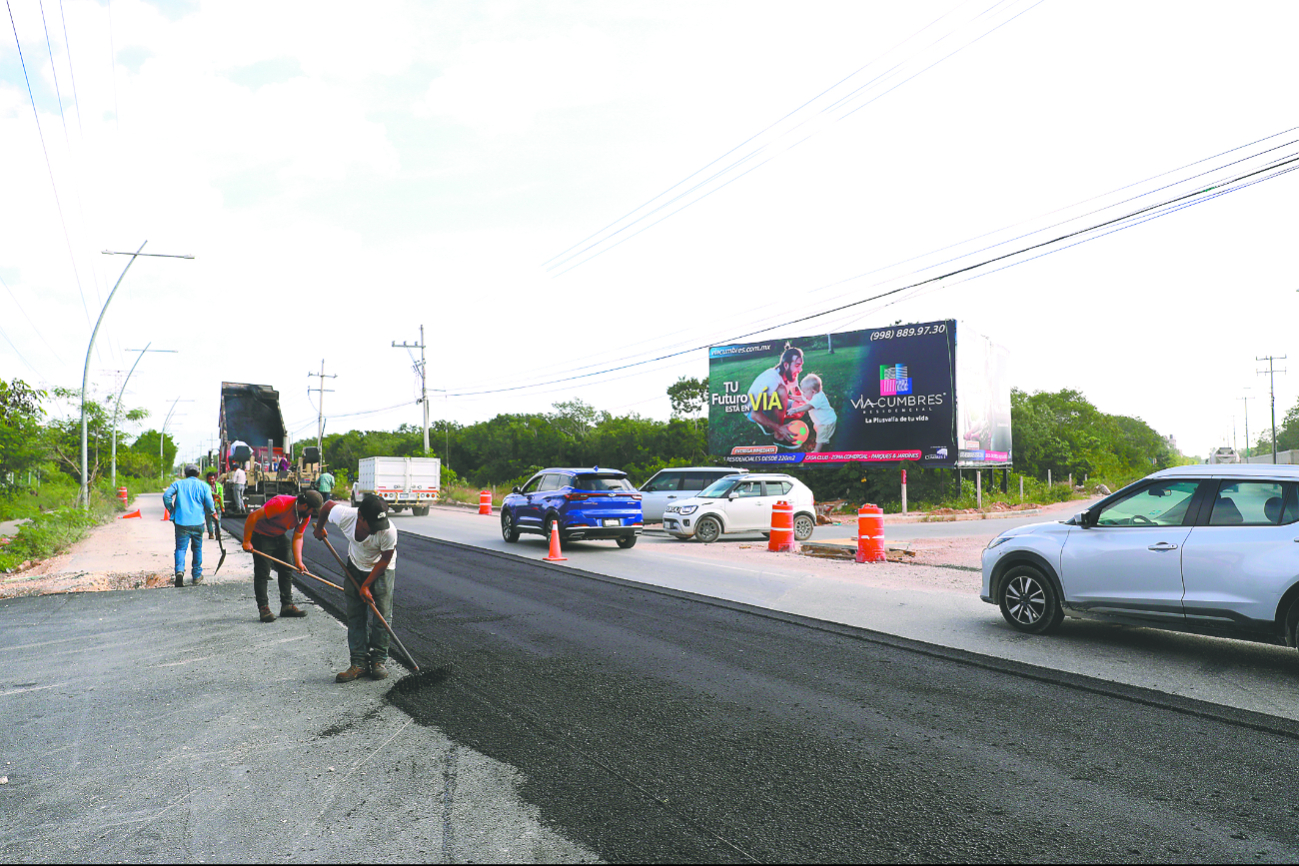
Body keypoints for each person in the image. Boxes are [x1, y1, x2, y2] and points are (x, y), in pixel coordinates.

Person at [313, 494, 398, 683]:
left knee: (382, 615)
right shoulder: (346, 516)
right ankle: (359, 663)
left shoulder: (388, 531)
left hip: (382, 569)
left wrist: (367, 585)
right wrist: (319, 528)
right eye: (373, 526)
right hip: (355, 565)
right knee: (355, 614)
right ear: (361, 517)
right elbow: (327, 506)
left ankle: (378, 661)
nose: (378, 531)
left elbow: (385, 560)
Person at [241, 490, 324, 623]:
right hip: (261, 535)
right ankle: (263, 608)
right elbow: (253, 517)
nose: (313, 514)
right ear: (304, 505)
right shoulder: (280, 504)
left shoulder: (304, 516)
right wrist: (247, 540)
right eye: (313, 510)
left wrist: (299, 561)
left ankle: (287, 606)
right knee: (263, 573)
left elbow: (298, 537)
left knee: (287, 568)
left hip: (279, 535)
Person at [163, 465, 216, 587]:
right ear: (198, 474)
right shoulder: (204, 486)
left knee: (181, 549)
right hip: (198, 522)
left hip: (181, 522)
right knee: (197, 548)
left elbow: (166, 496)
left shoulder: (178, 484)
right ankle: (197, 576)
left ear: (186, 474)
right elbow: (209, 503)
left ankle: (179, 572)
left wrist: (172, 511)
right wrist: (211, 512)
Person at [745, 343, 805, 444]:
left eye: (801, 366)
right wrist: (779, 427)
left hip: (770, 404)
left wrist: (808, 403)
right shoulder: (771, 380)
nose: (800, 370)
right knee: (781, 391)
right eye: (797, 365)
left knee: (799, 409)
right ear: (786, 365)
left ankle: (771, 422)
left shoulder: (790, 374)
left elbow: (797, 394)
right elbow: (755, 414)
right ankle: (778, 435)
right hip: (753, 410)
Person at [786, 374, 837, 453]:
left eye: (804, 392)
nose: (803, 394)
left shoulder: (818, 398)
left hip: (826, 422)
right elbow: (802, 398)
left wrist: (796, 410)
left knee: (820, 437)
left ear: (813, 391)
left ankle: (816, 452)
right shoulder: (809, 395)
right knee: (816, 428)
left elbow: (808, 407)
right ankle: (825, 437)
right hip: (820, 421)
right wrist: (791, 397)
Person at [204, 470, 224, 538]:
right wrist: (214, 495)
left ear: (214, 478)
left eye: (212, 478)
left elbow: (221, 497)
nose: (211, 480)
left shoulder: (219, 486)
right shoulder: (205, 486)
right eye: (209, 479)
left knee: (218, 520)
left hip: (217, 505)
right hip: (208, 506)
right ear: (207, 479)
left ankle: (218, 533)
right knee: (209, 520)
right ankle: (211, 533)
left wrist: (222, 507)